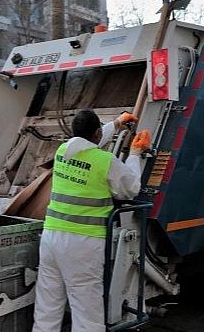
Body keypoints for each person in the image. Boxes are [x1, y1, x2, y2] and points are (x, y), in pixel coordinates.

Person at [32, 109, 151, 332]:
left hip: (51, 239)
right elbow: (131, 188)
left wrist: (116, 124)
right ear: (96, 133)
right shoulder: (105, 161)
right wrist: (135, 153)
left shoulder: (63, 150)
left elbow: (85, 144)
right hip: (83, 245)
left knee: (47, 308)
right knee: (87, 314)